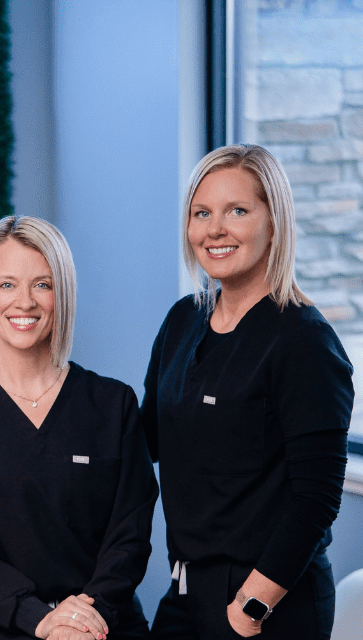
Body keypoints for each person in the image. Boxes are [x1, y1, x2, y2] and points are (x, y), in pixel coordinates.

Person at [142, 144, 354, 639]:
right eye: (202, 213)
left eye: (237, 211)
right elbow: (146, 437)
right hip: (185, 593)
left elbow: (317, 499)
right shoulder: (183, 320)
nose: (215, 229)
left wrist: (250, 607)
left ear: (273, 222)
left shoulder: (304, 341)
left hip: (267, 607)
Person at [0, 216, 158, 640]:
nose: (24, 302)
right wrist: (38, 618)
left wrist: (88, 616)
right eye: (7, 284)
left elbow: (130, 534)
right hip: (0, 627)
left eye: (43, 285)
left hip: (104, 627)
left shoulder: (112, 404)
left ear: (61, 293)